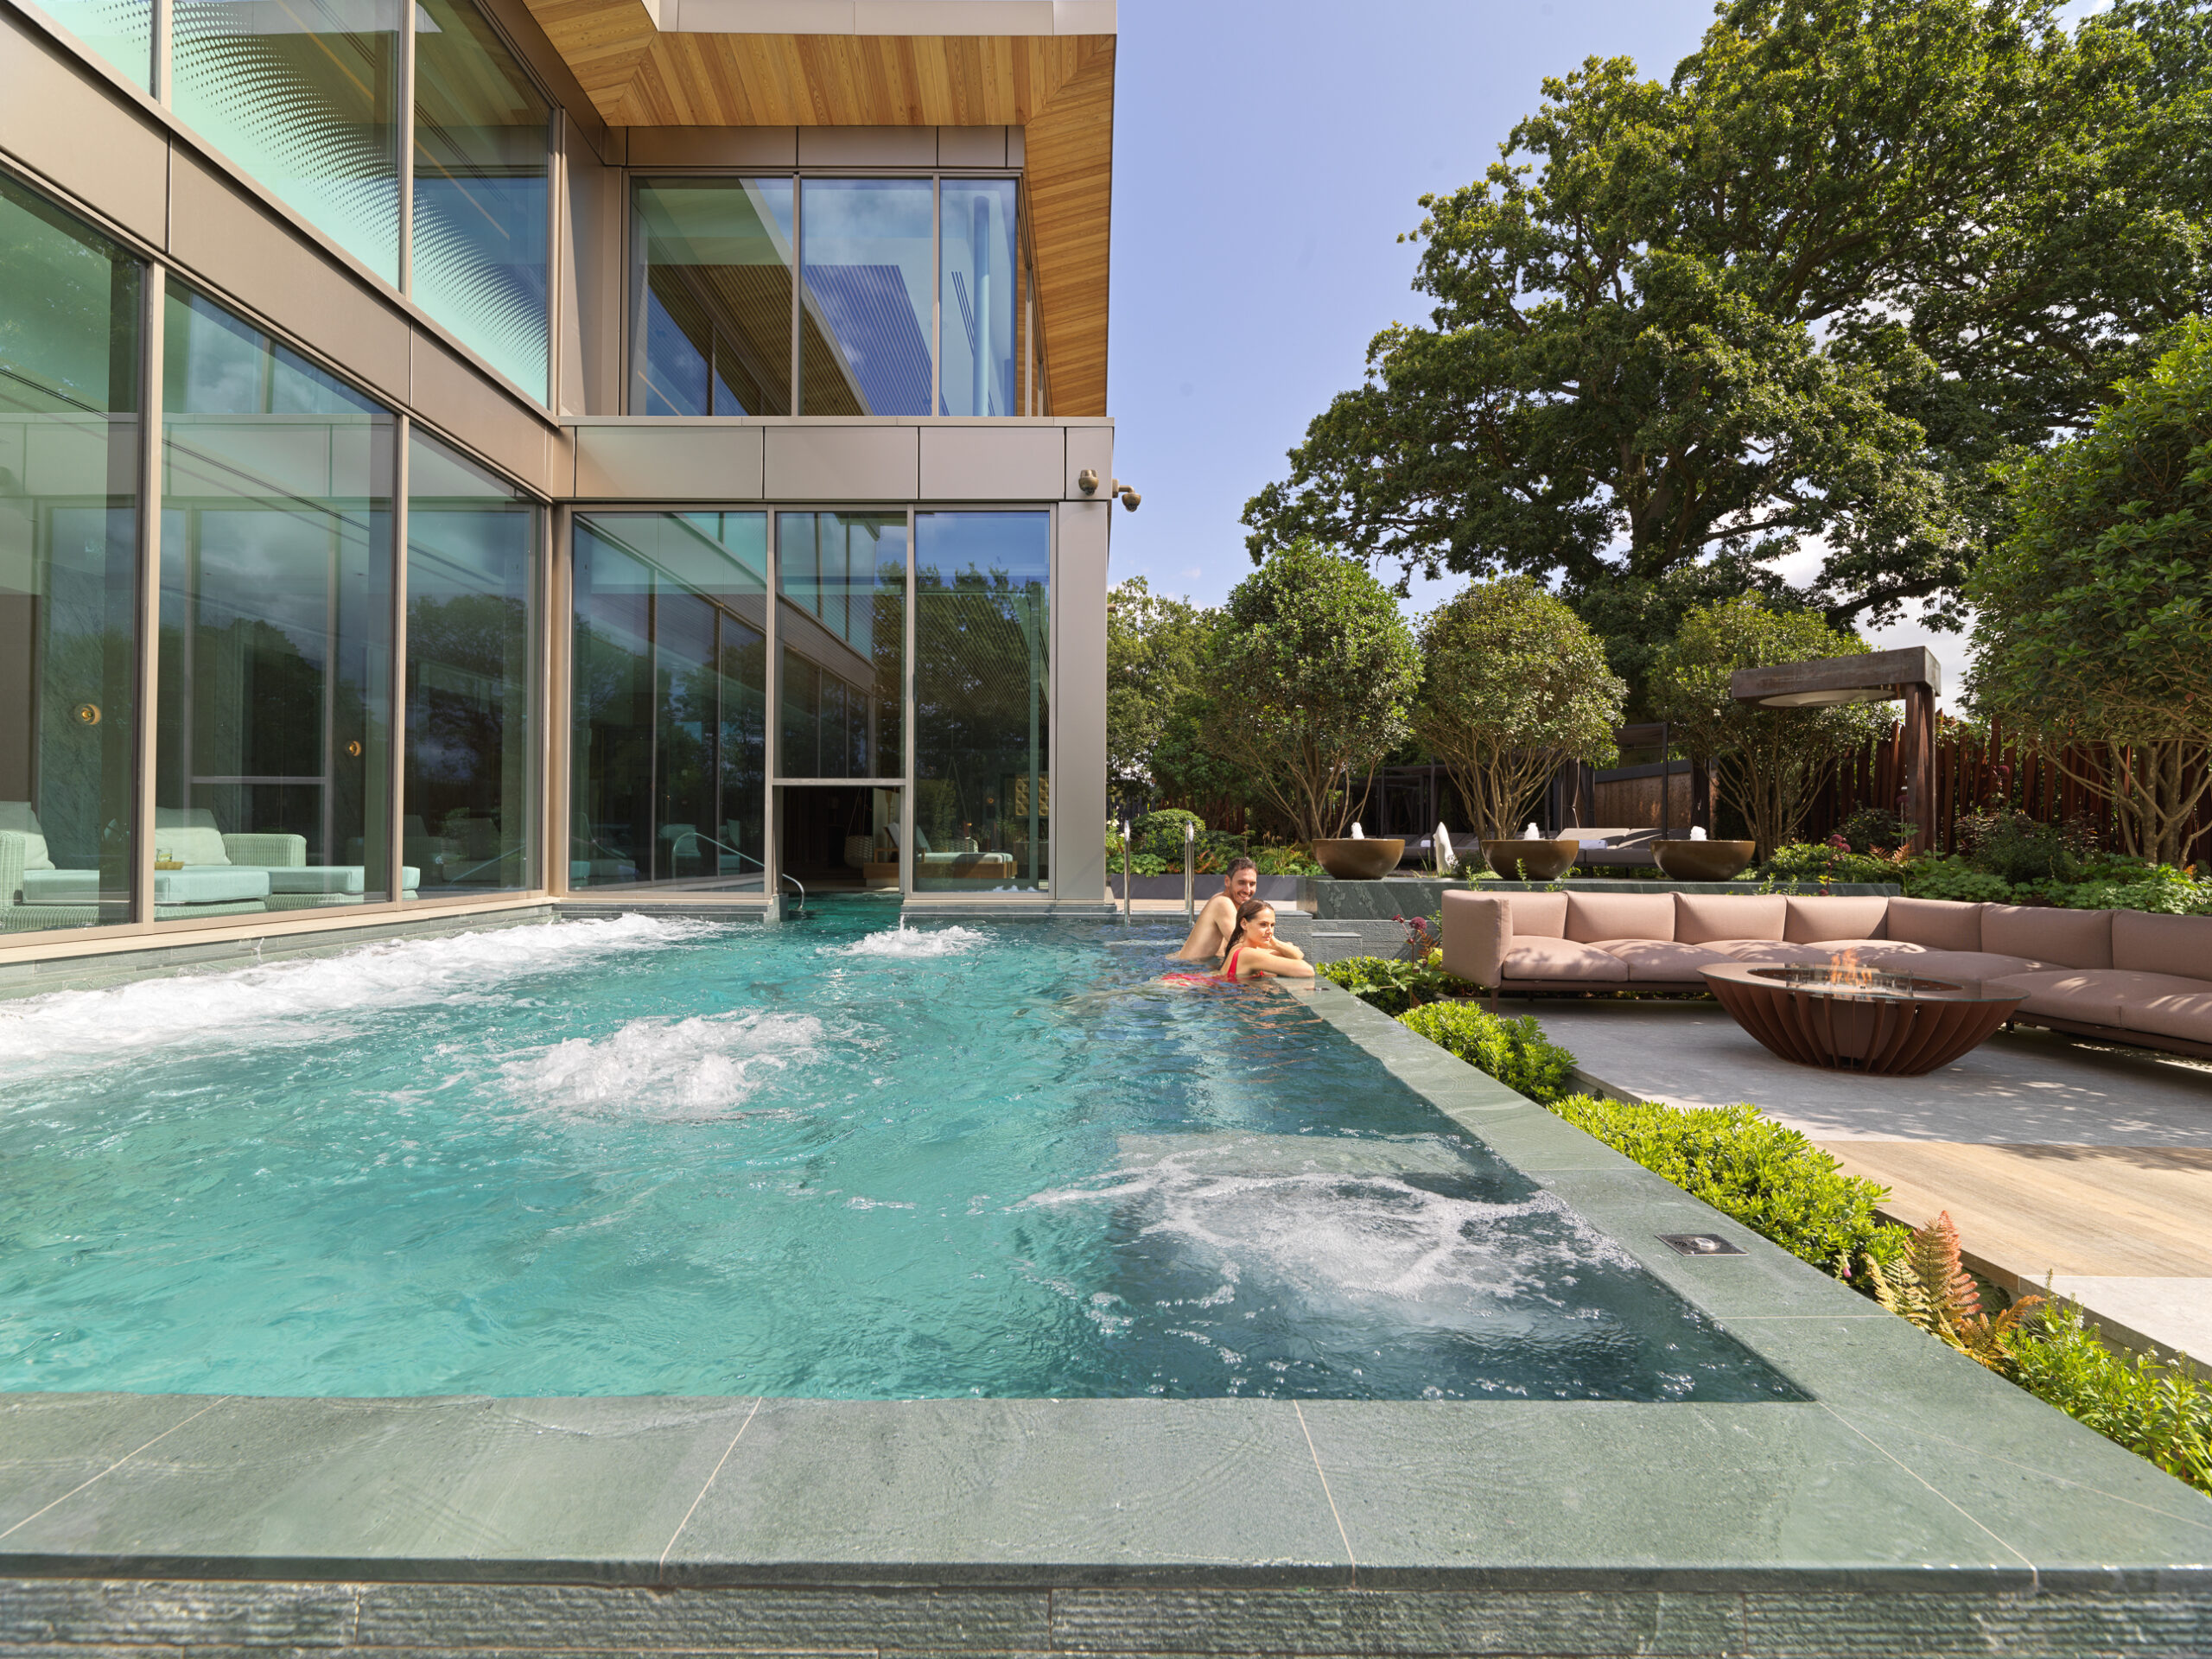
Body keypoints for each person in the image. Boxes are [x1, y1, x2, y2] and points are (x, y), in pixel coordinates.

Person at [1173, 856, 1259, 962]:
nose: (1247, 890)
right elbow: (1245, 948)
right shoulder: (1222, 903)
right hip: (1187, 972)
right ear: (1227, 881)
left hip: (1190, 967)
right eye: (1241, 883)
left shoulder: (1229, 903)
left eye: (1252, 884)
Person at [1219, 900, 1315, 982]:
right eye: (1263, 924)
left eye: (1272, 925)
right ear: (1244, 924)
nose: (1270, 931)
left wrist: (1275, 943)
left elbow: (1298, 955)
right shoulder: (1247, 954)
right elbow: (1307, 970)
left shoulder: (1240, 946)